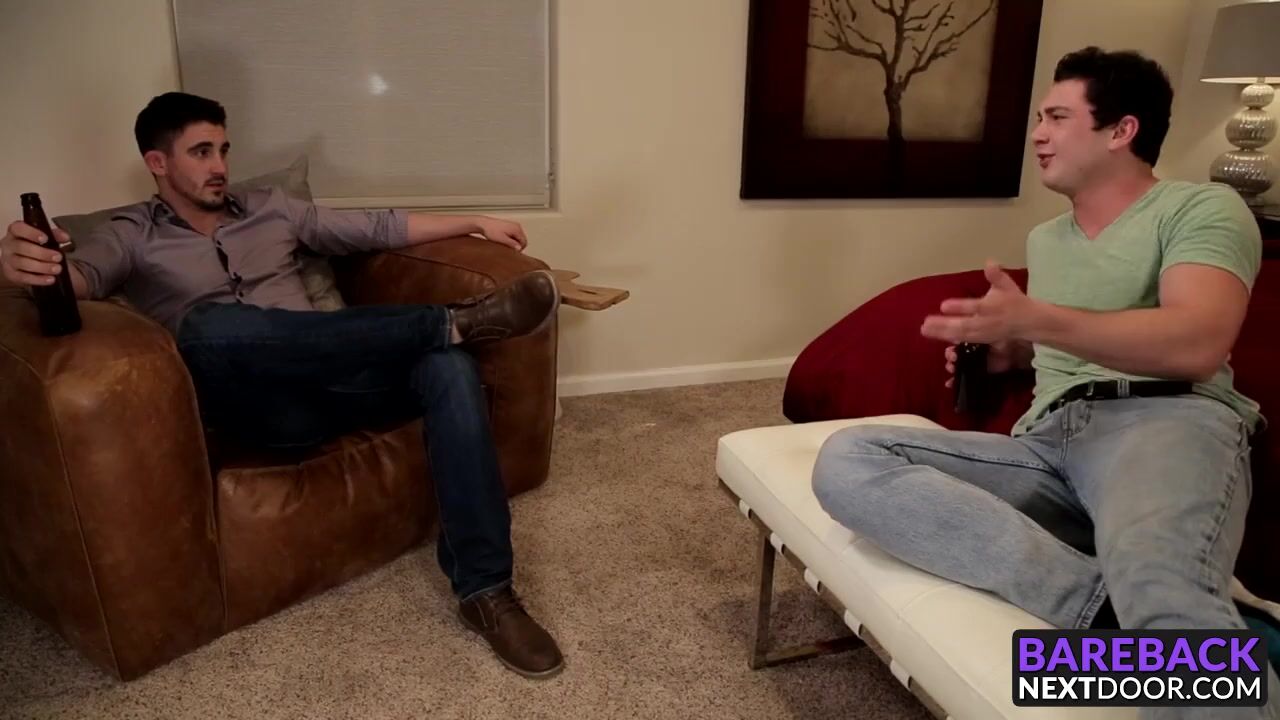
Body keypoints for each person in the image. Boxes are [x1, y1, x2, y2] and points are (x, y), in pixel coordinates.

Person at [0, 92, 565, 679]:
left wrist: (474, 221)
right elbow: (76, 278)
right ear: (157, 162)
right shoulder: (130, 233)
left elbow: (374, 226)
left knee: (449, 368)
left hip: (338, 376)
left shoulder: (271, 207)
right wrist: (18, 267)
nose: (220, 166)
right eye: (201, 152)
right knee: (207, 327)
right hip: (259, 406)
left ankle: (486, 592)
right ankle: (450, 322)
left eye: (223, 149)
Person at [810, 47, 1278, 718]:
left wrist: (1037, 318)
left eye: (1058, 117)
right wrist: (1010, 353)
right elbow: (1076, 340)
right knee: (850, 459)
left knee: (1163, 592)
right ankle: (1112, 617)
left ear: (1122, 130)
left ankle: (1167, 630)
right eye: (1038, 118)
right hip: (1047, 441)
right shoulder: (1046, 239)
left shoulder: (1202, 207)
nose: (1038, 134)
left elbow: (1197, 343)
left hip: (1164, 423)